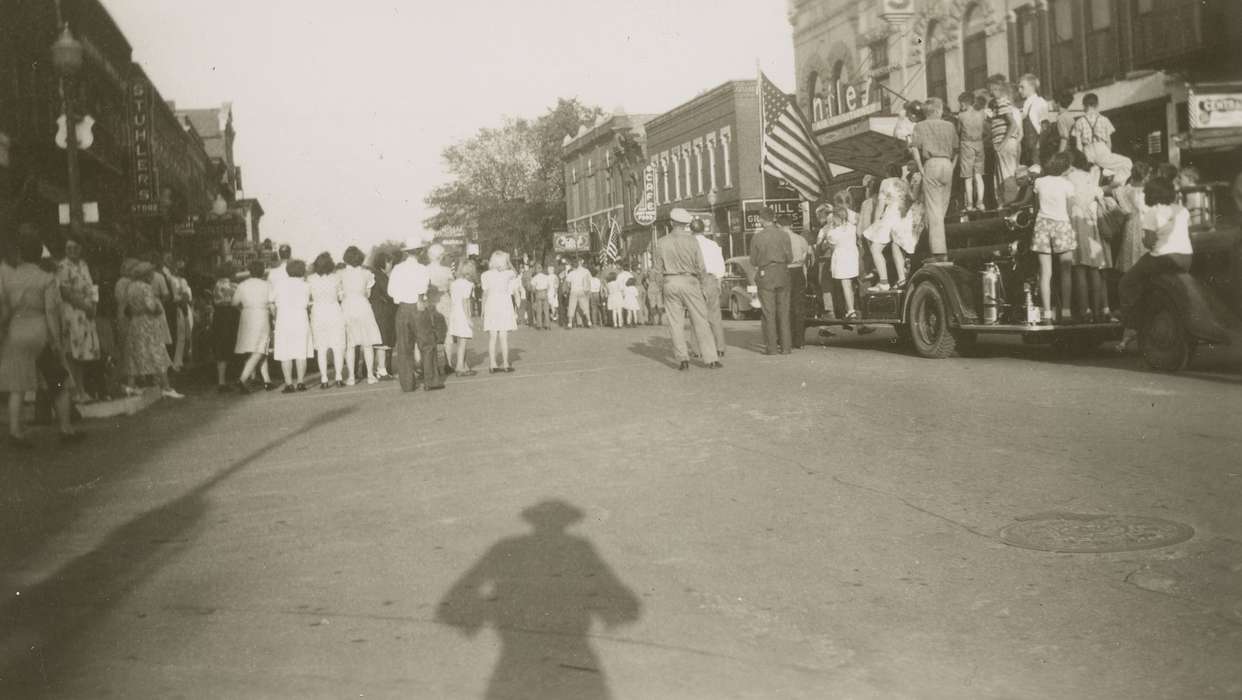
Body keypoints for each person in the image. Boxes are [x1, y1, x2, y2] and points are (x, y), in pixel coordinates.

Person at [1, 231, 83, 446]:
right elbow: (51, 313)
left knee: (17, 386)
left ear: (20, 253)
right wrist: (56, 342)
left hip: (16, 332)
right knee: (58, 381)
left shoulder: (8, 276)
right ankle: (66, 429)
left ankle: (15, 432)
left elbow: (4, 310)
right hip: (40, 333)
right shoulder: (46, 278)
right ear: (39, 254)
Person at [1117, 177, 1194, 351]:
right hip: (1186, 257)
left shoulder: (1153, 213)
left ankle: (1132, 324)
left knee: (1127, 282)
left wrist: (1148, 241)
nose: (1144, 193)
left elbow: (1149, 242)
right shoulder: (1182, 210)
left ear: (1153, 194)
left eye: (1147, 191)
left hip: (1163, 257)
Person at [653, 208, 720, 370]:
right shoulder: (692, 241)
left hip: (670, 281)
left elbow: (657, 270)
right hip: (690, 281)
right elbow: (701, 267)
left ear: (671, 223)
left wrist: (661, 287)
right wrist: (703, 286)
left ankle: (683, 359)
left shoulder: (661, 242)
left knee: (675, 323)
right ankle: (711, 358)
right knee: (700, 320)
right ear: (685, 224)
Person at [122, 262, 184, 400]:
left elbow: (129, 307)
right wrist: (158, 307)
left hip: (135, 322)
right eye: (150, 273)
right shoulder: (146, 287)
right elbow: (152, 307)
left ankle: (131, 386)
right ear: (146, 275)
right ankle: (166, 387)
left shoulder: (130, 287)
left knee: (135, 353)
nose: (152, 276)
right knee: (157, 352)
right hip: (148, 323)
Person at [910, 97, 959, 260]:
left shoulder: (920, 126)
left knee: (933, 210)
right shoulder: (950, 126)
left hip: (931, 164)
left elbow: (915, 149)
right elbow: (957, 149)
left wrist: (921, 168)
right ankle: (940, 247)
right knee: (942, 209)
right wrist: (951, 166)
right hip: (947, 164)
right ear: (939, 111)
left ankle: (939, 253)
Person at [1032, 152, 1078, 324]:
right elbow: (1070, 210)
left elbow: (1036, 207)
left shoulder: (1039, 182)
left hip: (1042, 224)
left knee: (1045, 272)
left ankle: (1046, 313)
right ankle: (1066, 311)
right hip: (1062, 224)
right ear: (1065, 167)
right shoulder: (1067, 185)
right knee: (1066, 270)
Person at [388, 239, 437, 393]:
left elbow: (391, 291)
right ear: (420, 252)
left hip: (402, 308)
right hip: (418, 305)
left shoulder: (397, 269)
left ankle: (407, 384)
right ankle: (430, 381)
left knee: (404, 347)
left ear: (406, 252)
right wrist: (421, 299)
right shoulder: (422, 269)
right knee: (427, 344)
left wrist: (400, 299)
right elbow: (423, 287)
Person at [1067, 150, 1111, 321]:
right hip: (1092, 225)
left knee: (1079, 268)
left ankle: (1085, 310)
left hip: (1076, 224)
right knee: (1094, 269)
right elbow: (1099, 194)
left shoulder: (1069, 178)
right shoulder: (1089, 177)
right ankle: (1100, 310)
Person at [55, 237, 100, 403]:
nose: (72, 251)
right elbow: (65, 292)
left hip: (86, 314)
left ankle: (81, 390)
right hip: (72, 312)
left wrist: (93, 306)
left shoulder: (83, 265)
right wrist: (85, 306)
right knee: (72, 353)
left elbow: (91, 287)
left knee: (82, 353)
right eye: (68, 248)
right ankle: (75, 392)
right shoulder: (63, 266)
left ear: (80, 249)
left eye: (75, 247)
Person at [749, 207, 793, 355]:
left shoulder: (757, 237)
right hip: (782, 273)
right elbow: (790, 258)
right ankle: (786, 347)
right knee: (784, 312)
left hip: (766, 274)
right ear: (773, 218)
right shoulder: (784, 235)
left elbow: (753, 261)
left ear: (761, 219)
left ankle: (772, 348)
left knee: (768, 313)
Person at [863, 165, 914, 291]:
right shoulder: (904, 183)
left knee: (875, 248)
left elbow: (881, 205)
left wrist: (875, 222)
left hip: (891, 215)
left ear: (887, 173)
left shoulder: (885, 182)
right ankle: (902, 278)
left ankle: (883, 281)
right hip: (904, 217)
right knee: (896, 246)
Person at [339, 246, 383, 385]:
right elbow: (368, 294)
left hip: (347, 307)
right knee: (368, 343)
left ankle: (351, 377)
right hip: (363, 306)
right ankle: (370, 375)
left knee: (351, 344)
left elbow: (340, 294)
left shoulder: (341, 274)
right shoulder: (367, 274)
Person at [232, 260, 273, 393]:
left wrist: (243, 309)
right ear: (262, 271)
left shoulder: (242, 285)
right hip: (261, 315)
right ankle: (242, 379)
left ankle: (267, 380)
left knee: (257, 348)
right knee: (260, 349)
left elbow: (234, 303)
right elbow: (272, 303)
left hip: (247, 315)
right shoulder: (267, 285)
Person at [272, 259, 311, 393]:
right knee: (301, 352)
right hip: (300, 318)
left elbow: (271, 300)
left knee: (285, 352)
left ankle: (288, 383)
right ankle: (300, 382)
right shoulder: (306, 285)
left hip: (284, 319)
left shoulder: (279, 284)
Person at [308, 253, 346, 389]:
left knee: (322, 349)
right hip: (334, 312)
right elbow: (341, 296)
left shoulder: (311, 279)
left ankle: (324, 379)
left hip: (318, 313)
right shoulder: (336, 278)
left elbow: (309, 298)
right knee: (338, 347)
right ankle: (339, 377)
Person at [821, 201, 861, 322]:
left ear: (837, 217)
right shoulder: (852, 228)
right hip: (853, 257)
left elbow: (829, 246)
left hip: (841, 260)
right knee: (849, 285)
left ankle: (851, 311)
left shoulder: (834, 232)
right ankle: (851, 309)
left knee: (845, 284)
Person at [693, 218, 727, 355]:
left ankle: (697, 349)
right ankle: (720, 348)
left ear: (691, 230)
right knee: (715, 315)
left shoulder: (689, 245)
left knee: (696, 315)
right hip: (711, 279)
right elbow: (720, 264)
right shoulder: (713, 244)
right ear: (703, 230)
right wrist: (718, 280)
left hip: (695, 280)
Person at [481, 250, 517, 373]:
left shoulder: (485, 275)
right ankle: (506, 364)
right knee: (503, 336)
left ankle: (492, 364)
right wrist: (509, 261)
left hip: (491, 303)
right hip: (504, 304)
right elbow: (515, 272)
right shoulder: (507, 274)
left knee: (492, 336)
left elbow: (485, 294)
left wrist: (482, 309)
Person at [987, 75, 1022, 200]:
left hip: (1004, 144)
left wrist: (1002, 143)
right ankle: (1008, 202)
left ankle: (1010, 203)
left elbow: (1013, 125)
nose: (989, 92)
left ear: (996, 88)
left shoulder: (1001, 102)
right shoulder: (1001, 104)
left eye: (991, 89)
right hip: (1005, 143)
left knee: (1006, 175)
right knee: (1006, 174)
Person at [1114, 162, 1152, 275]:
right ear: (1144, 177)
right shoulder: (1147, 191)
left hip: (1130, 222)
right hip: (1143, 223)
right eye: (1148, 175)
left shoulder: (1124, 190)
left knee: (1131, 250)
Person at [779, 215, 810, 350]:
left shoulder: (779, 239)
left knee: (785, 305)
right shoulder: (801, 239)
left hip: (785, 271)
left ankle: (786, 339)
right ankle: (800, 340)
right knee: (799, 306)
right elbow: (805, 257)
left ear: (779, 226)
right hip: (798, 272)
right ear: (791, 225)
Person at [210, 263, 239, 392]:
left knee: (221, 349)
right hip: (230, 316)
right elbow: (237, 302)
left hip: (218, 316)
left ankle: (221, 381)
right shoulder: (233, 286)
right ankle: (238, 377)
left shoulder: (216, 286)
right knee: (232, 346)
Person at [368, 250, 397, 380]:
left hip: (376, 309)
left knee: (379, 342)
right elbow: (389, 294)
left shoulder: (375, 274)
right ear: (383, 263)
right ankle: (382, 370)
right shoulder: (381, 276)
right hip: (383, 311)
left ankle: (380, 369)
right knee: (383, 341)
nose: (391, 265)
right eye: (389, 262)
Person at [957, 91, 987, 211]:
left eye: (960, 104)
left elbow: (959, 131)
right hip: (979, 144)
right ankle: (980, 202)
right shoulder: (981, 113)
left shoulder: (961, 115)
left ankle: (969, 204)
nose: (960, 106)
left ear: (964, 103)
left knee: (967, 177)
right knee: (978, 175)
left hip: (966, 145)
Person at [426, 243, 455, 366]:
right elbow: (452, 289)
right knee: (448, 332)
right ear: (441, 256)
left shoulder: (425, 270)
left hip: (430, 303)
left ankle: (434, 364)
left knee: (431, 333)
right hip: (446, 301)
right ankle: (448, 363)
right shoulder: (447, 271)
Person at [448, 261, 477, 377]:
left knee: (460, 341)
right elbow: (465, 302)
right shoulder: (467, 284)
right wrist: (468, 318)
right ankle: (460, 367)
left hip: (454, 313)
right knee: (463, 342)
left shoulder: (454, 283)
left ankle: (464, 365)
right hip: (462, 314)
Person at [1017, 74, 1048, 167]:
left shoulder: (1039, 102)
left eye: (1022, 87)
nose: (1019, 91)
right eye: (1019, 87)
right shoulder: (1025, 103)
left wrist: (1039, 146)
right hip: (1025, 147)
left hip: (1036, 147)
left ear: (1032, 87)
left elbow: (1045, 126)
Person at [565, 257, 593, 328]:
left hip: (574, 291)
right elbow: (589, 280)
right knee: (585, 307)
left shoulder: (571, 273)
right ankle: (589, 321)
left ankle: (570, 323)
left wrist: (570, 287)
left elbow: (568, 284)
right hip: (582, 291)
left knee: (572, 306)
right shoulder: (584, 272)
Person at [1053, 89, 1083, 154]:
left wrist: (1060, 154)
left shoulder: (1060, 118)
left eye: (1053, 101)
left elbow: (1064, 138)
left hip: (1067, 151)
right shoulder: (1068, 115)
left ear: (1058, 103)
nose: (1052, 104)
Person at [530, 265, 552, 330]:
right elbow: (549, 286)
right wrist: (546, 291)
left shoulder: (535, 277)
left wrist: (535, 292)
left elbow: (533, 288)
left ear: (537, 270)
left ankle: (539, 325)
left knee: (539, 310)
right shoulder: (546, 277)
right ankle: (547, 325)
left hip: (538, 292)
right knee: (546, 310)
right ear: (541, 269)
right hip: (545, 292)